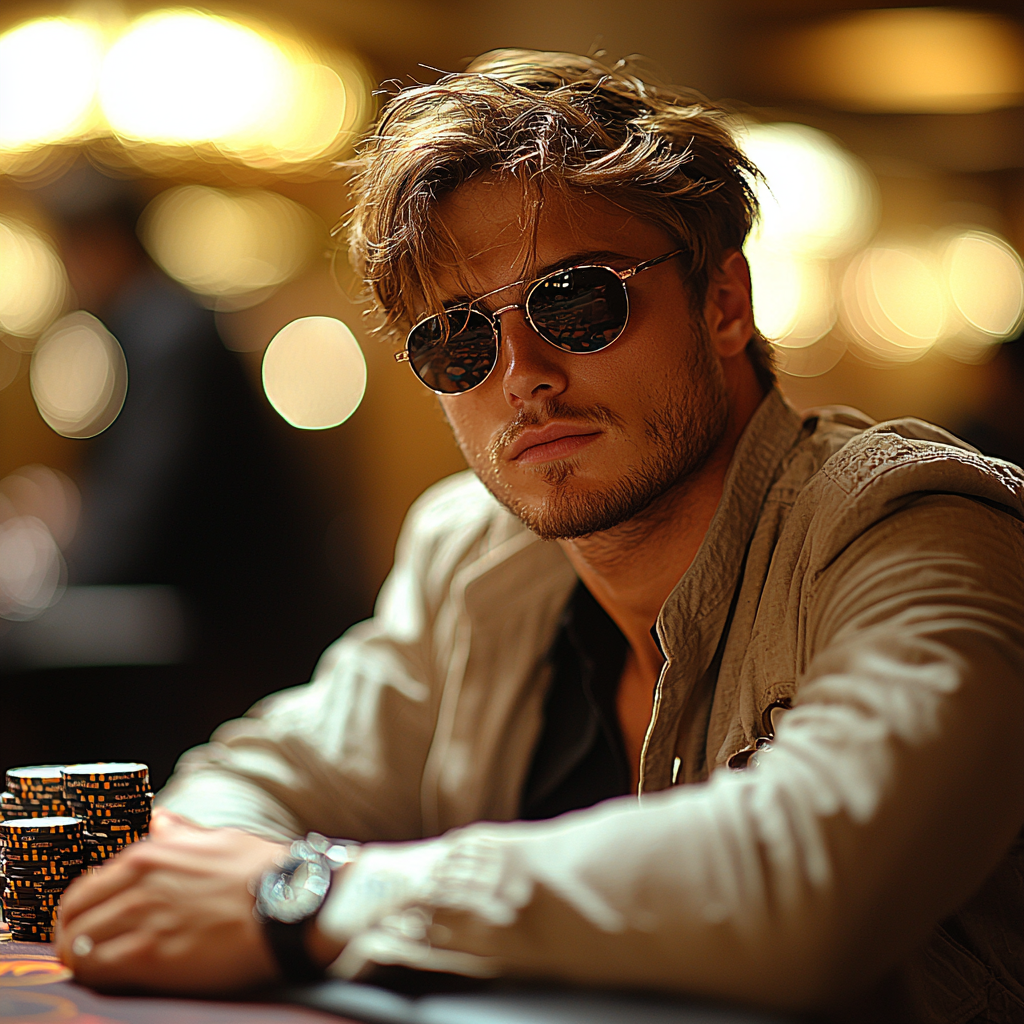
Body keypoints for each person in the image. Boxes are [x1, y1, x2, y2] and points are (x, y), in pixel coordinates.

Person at [54, 51, 1023, 1023]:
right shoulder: (474, 555)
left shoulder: (916, 526)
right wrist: (230, 880)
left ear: (724, 302)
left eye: (576, 299)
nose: (521, 373)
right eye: (457, 338)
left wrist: (309, 898)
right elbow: (245, 787)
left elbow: (811, 880)